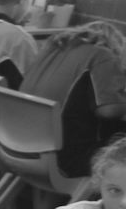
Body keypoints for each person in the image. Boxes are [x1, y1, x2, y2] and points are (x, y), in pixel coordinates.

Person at [18, 21, 126, 177]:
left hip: (22, 144)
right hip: (66, 158)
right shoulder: (102, 55)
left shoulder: (51, 50)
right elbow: (109, 111)